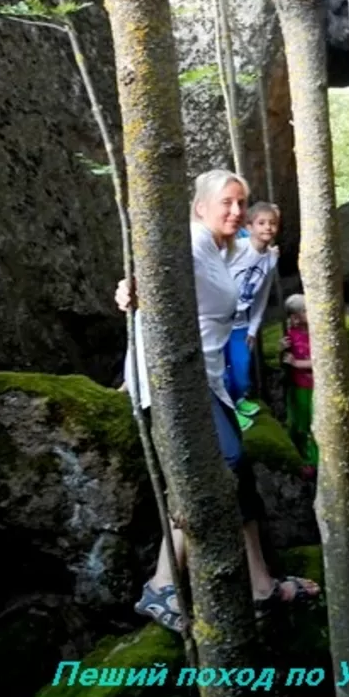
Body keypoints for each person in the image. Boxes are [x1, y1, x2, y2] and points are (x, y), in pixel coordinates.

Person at [115, 169, 319, 633]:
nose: (236, 211)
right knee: (221, 468)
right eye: (226, 202)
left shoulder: (223, 249)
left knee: (240, 475)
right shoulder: (192, 242)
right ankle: (161, 584)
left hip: (207, 382)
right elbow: (155, 268)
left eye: (241, 203)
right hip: (174, 385)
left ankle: (261, 585)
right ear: (200, 208)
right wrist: (131, 288)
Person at [224, 201, 280, 430]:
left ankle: (238, 400)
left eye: (273, 223)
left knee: (241, 366)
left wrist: (253, 328)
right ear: (249, 225)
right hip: (217, 320)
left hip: (240, 323)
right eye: (261, 223)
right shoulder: (237, 248)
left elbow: (262, 295)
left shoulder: (270, 258)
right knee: (219, 369)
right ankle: (229, 411)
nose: (268, 228)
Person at [281, 293, 318, 469]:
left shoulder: (318, 333)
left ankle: (315, 461)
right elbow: (284, 360)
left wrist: (297, 363)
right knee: (298, 423)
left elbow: (321, 361)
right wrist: (282, 350)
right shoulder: (291, 334)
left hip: (315, 387)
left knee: (314, 424)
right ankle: (302, 458)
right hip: (298, 387)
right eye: (305, 310)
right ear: (295, 317)